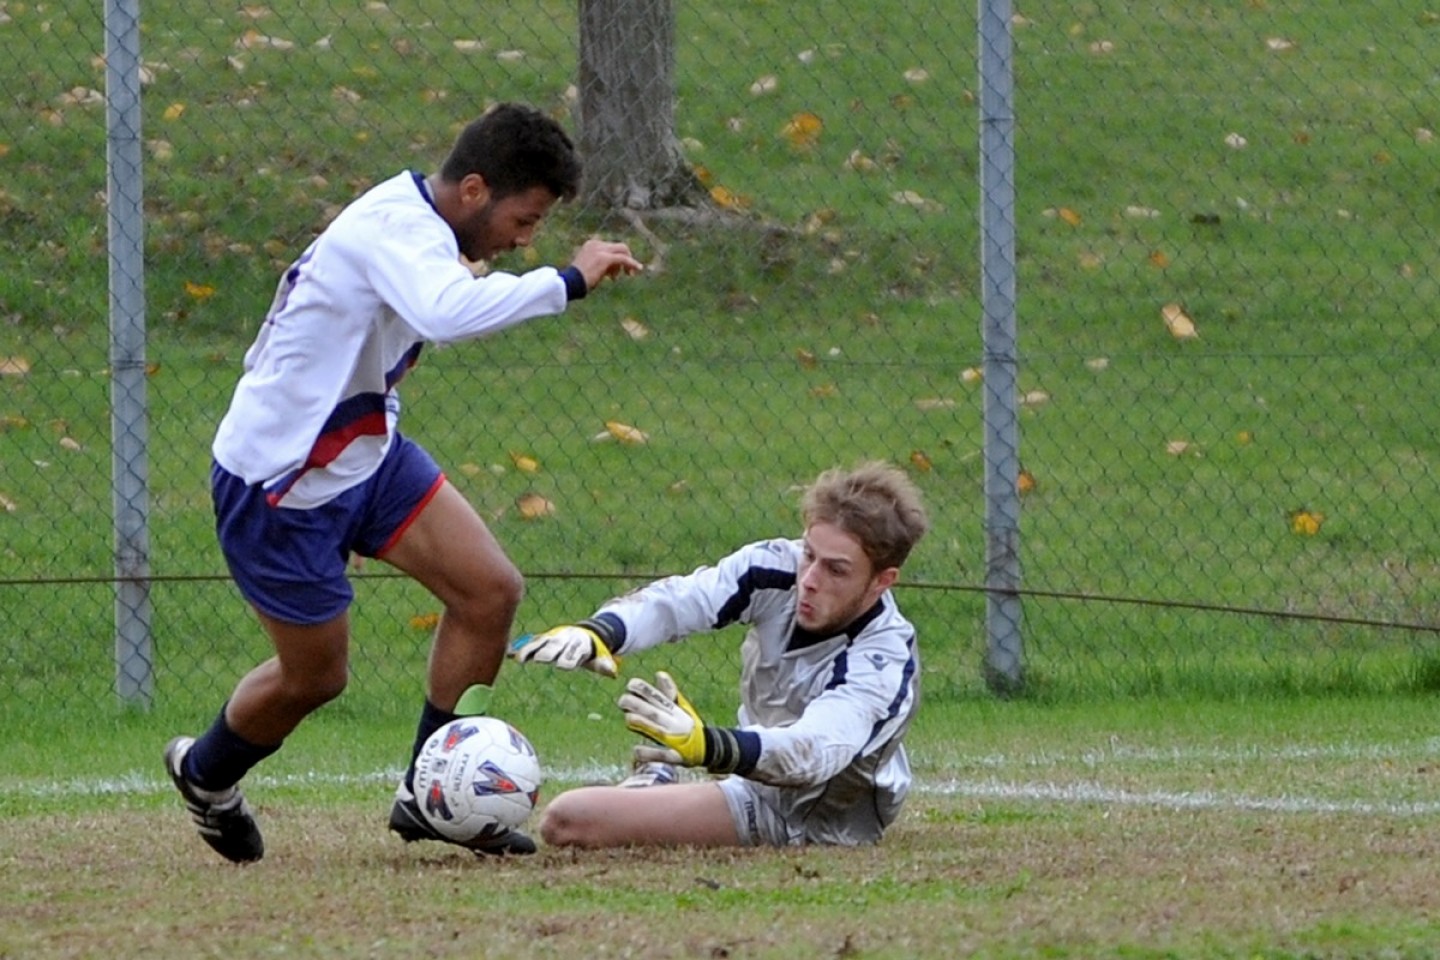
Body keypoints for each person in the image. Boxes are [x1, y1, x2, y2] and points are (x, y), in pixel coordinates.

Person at [163, 103, 643, 864]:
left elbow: (440, 292)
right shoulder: (397, 228)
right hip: (281, 482)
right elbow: (443, 312)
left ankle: (430, 795)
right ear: (476, 190)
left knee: (490, 591)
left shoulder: (424, 224)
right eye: (525, 219)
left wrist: (508, 268)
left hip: (363, 449)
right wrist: (568, 280)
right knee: (316, 678)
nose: (527, 240)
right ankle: (205, 772)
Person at [512, 461, 929, 848]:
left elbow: (814, 752)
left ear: (882, 581)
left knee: (566, 820)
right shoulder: (776, 568)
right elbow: (684, 600)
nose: (810, 579)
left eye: (836, 569)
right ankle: (660, 787)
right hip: (751, 779)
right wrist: (598, 633)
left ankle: (657, 786)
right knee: (574, 816)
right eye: (809, 554)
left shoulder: (884, 657)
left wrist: (709, 747)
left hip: (813, 821)